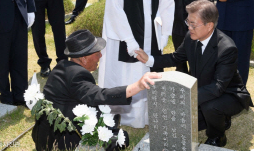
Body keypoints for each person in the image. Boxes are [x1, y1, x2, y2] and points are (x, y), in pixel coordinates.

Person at [135, 0, 253, 147]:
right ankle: (220, 118)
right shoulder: (191, 38)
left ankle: (218, 136)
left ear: (209, 25)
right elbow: (176, 57)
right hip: (203, 89)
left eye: (193, 24)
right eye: (188, 22)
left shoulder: (227, 49)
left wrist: (185, 96)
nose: (189, 28)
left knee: (210, 107)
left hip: (228, 93)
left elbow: (218, 87)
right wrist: (149, 60)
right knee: (184, 121)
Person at [32, 29, 162, 150]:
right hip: (63, 141)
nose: (100, 55)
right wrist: (138, 86)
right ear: (83, 59)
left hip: (43, 135)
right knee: (122, 139)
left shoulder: (62, 66)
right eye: (97, 53)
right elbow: (100, 95)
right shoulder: (78, 75)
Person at [98, 0, 175, 128]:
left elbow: (168, 5)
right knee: (126, 76)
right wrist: (131, 44)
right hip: (124, 40)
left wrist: (164, 35)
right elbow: (116, 13)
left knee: (147, 74)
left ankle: (147, 116)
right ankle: (123, 117)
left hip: (150, 37)